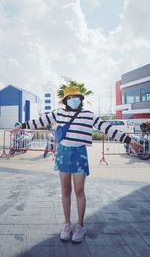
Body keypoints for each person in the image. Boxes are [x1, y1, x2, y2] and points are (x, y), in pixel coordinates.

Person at [15, 85, 142, 243]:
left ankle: (80, 226)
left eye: (76, 97)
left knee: (79, 190)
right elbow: (40, 121)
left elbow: (107, 128)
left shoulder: (88, 115)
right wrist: (21, 126)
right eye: (70, 97)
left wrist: (130, 141)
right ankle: (67, 224)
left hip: (79, 153)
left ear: (80, 99)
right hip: (63, 153)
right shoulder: (58, 113)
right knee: (65, 190)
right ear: (65, 100)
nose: (73, 99)